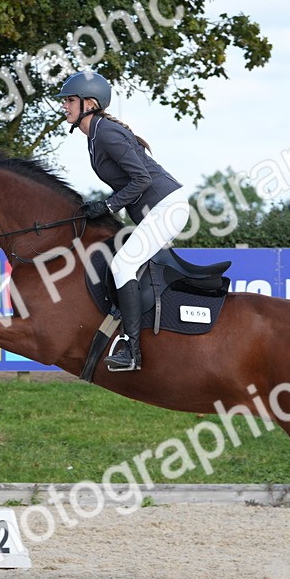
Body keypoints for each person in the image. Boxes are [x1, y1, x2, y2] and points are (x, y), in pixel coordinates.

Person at [55, 71, 190, 372]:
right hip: (154, 210)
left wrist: (107, 206)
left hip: (167, 207)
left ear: (89, 104)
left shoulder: (106, 133)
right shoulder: (94, 136)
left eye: (70, 100)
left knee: (123, 265)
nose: (64, 105)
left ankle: (131, 350)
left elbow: (141, 179)